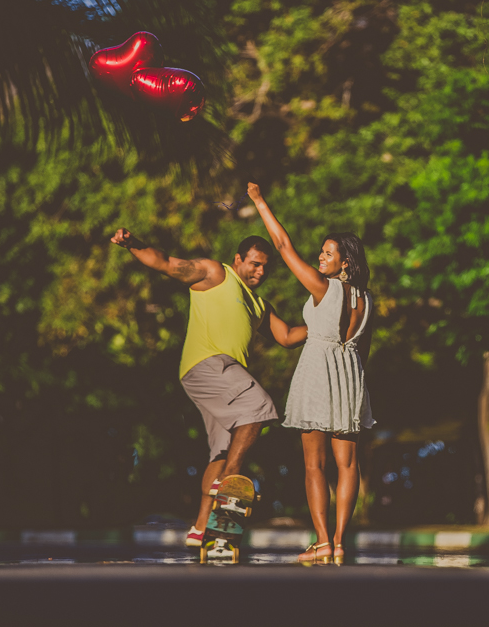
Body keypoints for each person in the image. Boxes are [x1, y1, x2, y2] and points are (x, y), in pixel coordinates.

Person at [109, 229, 306, 548]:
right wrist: (133, 244)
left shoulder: (259, 304)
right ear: (238, 259)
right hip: (208, 365)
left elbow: (286, 337)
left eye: (265, 268)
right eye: (254, 264)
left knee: (223, 448)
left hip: (222, 378)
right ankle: (230, 483)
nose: (260, 272)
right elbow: (167, 264)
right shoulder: (216, 274)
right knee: (258, 408)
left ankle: (201, 527)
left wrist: (325, 326)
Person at [246, 181, 374, 566]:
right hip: (351, 376)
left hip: (319, 372)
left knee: (314, 464)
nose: (320, 258)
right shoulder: (367, 301)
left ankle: (320, 541)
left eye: (328, 253)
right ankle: (338, 541)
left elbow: (283, 247)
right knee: (348, 465)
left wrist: (259, 200)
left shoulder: (324, 288)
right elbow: (362, 351)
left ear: (344, 262)